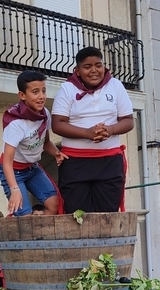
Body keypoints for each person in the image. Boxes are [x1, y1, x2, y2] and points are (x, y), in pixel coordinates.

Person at [51, 46, 135, 213]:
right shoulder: (67, 89)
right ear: (78, 70)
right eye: (87, 67)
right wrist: (86, 133)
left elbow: (128, 121)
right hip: (75, 163)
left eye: (98, 65)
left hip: (109, 163)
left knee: (108, 213)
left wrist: (109, 130)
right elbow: (57, 124)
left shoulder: (116, 85)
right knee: (76, 214)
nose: (94, 70)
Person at [0, 70, 67, 216]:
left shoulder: (45, 114)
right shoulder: (16, 124)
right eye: (35, 92)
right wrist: (14, 189)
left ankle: (43, 237)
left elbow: (46, 142)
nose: (41, 96)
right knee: (25, 217)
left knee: (54, 205)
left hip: (32, 168)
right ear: (22, 95)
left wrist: (56, 153)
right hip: (14, 171)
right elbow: (7, 162)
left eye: (43, 91)